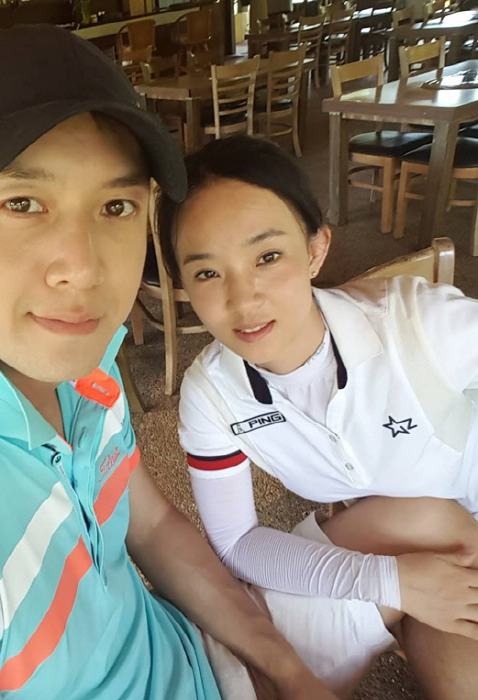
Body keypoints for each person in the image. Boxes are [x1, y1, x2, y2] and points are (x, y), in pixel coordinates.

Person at [0, 27, 339, 700]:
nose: (84, 268)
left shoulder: (83, 368)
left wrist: (286, 670)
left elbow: (151, 525)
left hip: (191, 654)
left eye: (116, 206)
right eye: (22, 204)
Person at [156, 133, 478, 699]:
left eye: (267, 257)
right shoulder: (212, 396)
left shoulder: (421, 326)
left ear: (315, 250)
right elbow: (237, 543)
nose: (243, 300)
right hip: (417, 542)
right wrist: (392, 581)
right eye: (207, 273)